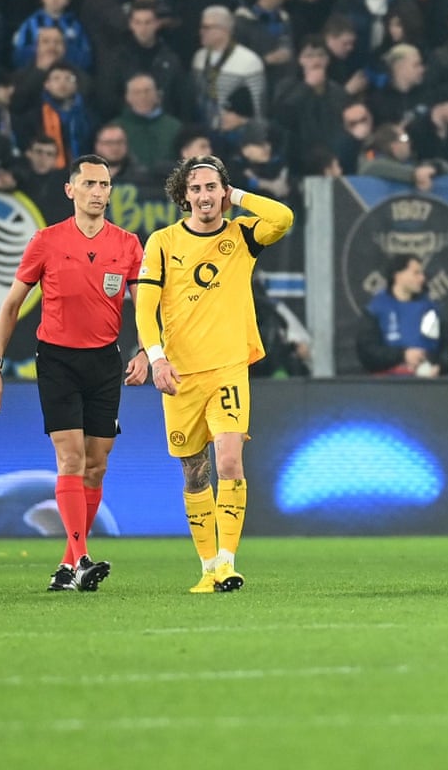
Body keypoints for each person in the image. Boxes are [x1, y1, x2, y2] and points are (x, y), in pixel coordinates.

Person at [0, 154, 149, 592]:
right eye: (90, 184)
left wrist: (148, 351)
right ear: (70, 190)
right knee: (71, 458)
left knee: (96, 465)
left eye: (105, 185)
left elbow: (146, 307)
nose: (99, 192)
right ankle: (83, 559)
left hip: (105, 362)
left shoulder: (128, 244)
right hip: (56, 360)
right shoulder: (46, 241)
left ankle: (68, 566)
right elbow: (12, 305)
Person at [134, 154, 294, 593]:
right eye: (196, 189)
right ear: (183, 196)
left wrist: (237, 196)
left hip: (228, 368)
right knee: (193, 472)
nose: (205, 196)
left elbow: (282, 217)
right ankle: (207, 567)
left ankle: (228, 562)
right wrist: (156, 357)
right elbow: (145, 307)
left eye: (212, 188)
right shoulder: (163, 242)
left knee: (228, 461)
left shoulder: (243, 235)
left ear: (222, 192)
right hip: (180, 375)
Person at [356, 253, 446, 376]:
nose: (422, 278)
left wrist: (439, 366)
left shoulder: (430, 309)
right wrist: (403, 355)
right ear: (398, 275)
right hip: (386, 386)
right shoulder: (376, 309)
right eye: (416, 273)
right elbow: (367, 351)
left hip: (426, 384)